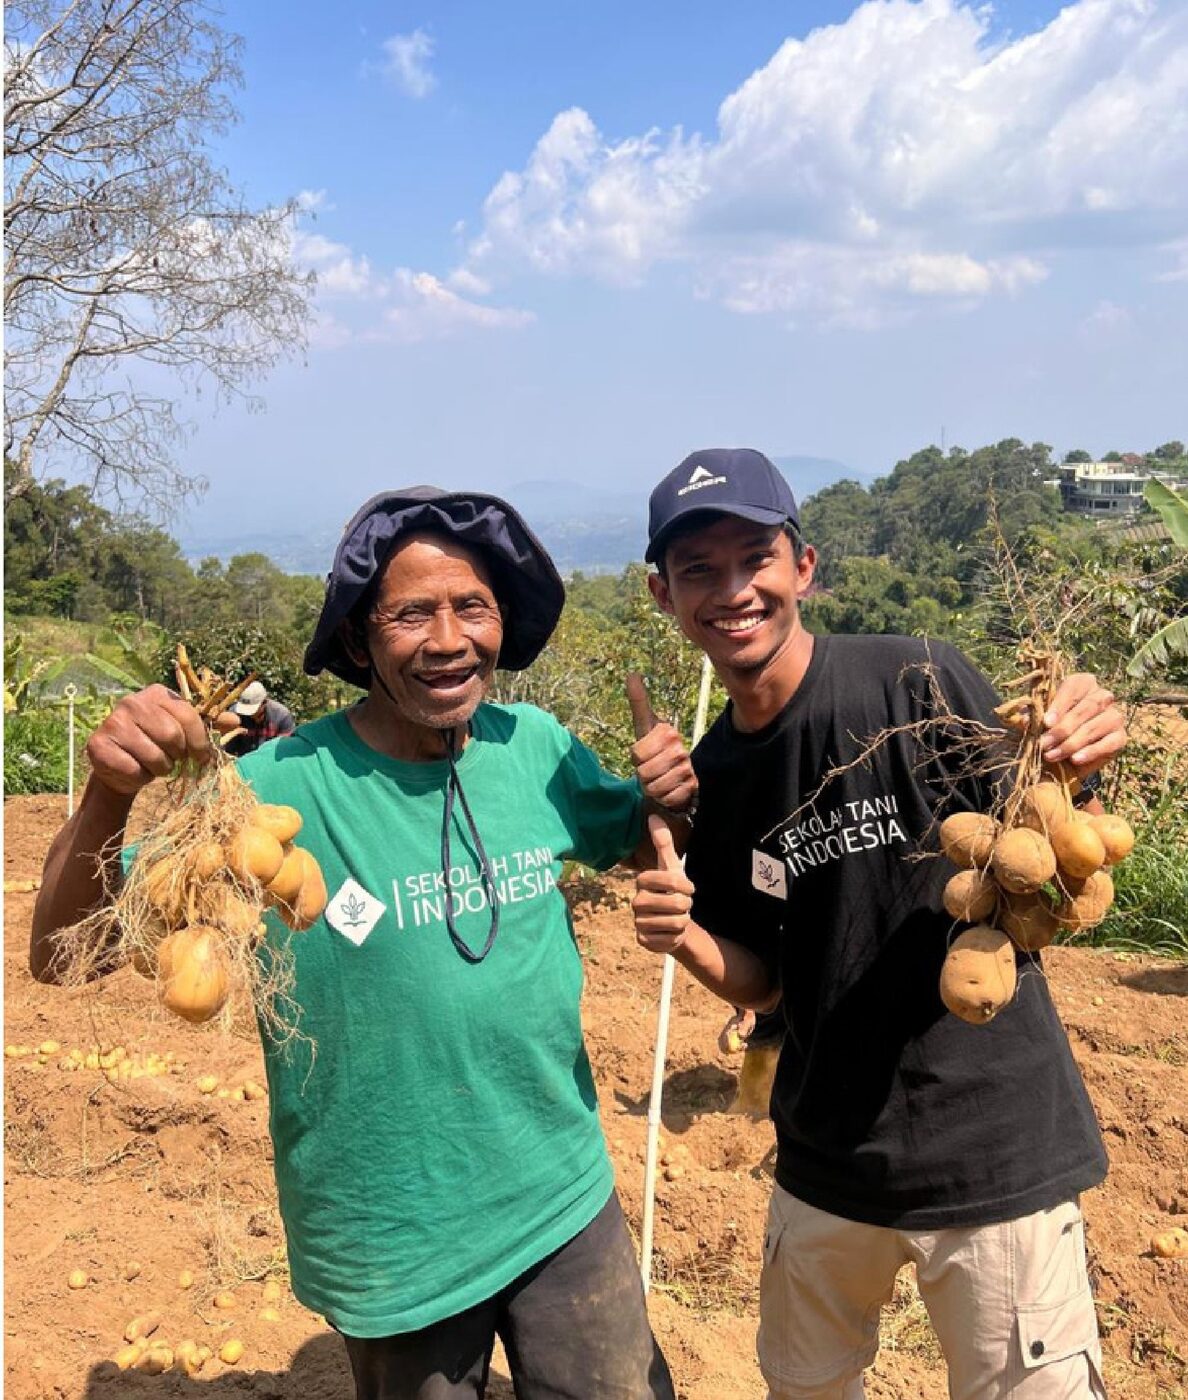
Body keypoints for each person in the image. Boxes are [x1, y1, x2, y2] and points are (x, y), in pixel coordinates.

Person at [30, 486, 698, 1400]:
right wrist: (110, 793)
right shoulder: (268, 791)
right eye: (412, 614)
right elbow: (63, 956)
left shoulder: (535, 747)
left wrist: (672, 800)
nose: (450, 639)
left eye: (473, 607)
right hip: (393, 1235)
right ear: (357, 640)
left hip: (562, 1195)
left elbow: (643, 838)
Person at [631, 449, 1127, 1400]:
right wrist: (682, 932)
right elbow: (766, 985)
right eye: (699, 569)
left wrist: (1079, 753)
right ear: (664, 594)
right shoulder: (716, 775)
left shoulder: (917, 679)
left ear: (803, 566)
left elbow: (1053, 841)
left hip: (992, 1154)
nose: (732, 590)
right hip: (826, 1161)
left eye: (755, 559)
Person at [219, 679, 295, 755]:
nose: (252, 716)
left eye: (257, 714)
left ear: (264, 703)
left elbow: (285, 749)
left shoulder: (282, 716)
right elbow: (227, 748)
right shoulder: (234, 715)